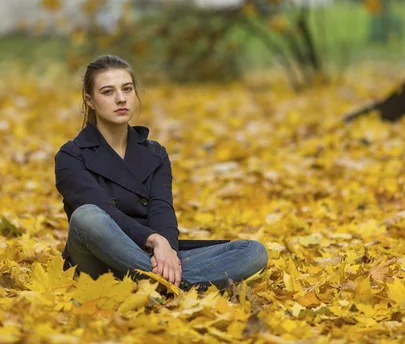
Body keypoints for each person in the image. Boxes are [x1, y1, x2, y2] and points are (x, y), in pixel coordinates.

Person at [54, 55, 268, 292]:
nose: (121, 98)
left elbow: (162, 208)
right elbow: (105, 211)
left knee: (253, 251)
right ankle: (172, 282)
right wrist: (155, 240)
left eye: (127, 89)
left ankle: (159, 283)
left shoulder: (155, 153)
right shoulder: (71, 155)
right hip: (98, 263)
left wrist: (168, 249)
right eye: (107, 92)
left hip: (150, 256)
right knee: (87, 217)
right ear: (90, 100)